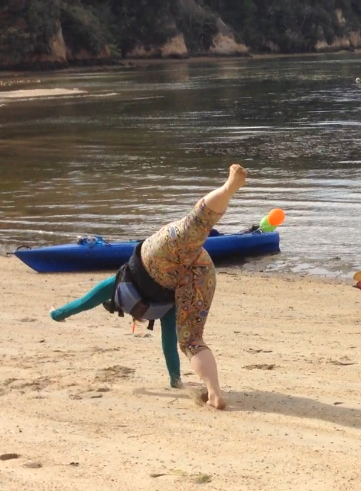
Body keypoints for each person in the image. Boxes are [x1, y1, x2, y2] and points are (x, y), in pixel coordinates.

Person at [96, 164, 247, 410]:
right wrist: (58, 313)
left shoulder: (155, 308)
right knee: (194, 224)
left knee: (191, 340)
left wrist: (58, 315)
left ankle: (215, 392)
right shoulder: (118, 289)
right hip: (185, 263)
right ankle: (227, 189)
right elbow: (81, 302)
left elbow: (169, 344)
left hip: (182, 269)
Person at [50, 277, 182, 389]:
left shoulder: (123, 279)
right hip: (166, 298)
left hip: (127, 283)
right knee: (170, 340)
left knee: (86, 301)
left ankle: (58, 314)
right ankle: (175, 380)